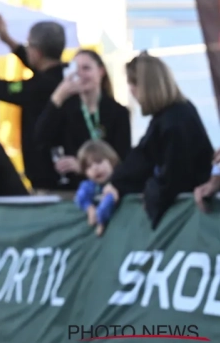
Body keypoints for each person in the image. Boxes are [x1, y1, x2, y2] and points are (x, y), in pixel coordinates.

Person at [104, 53, 213, 229]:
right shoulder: (169, 117)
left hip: (191, 222)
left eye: (133, 84)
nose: (131, 91)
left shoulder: (173, 122)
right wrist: (116, 183)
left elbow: (174, 177)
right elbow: (142, 157)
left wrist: (150, 193)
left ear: (147, 85)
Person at [0, 13, 66, 191]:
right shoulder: (63, 79)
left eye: (28, 45)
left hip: (47, 185)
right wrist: (7, 40)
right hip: (60, 178)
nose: (26, 49)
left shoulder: (37, 88)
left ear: (37, 52)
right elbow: (38, 65)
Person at [35, 49, 131, 187]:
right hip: (73, 187)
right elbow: (40, 137)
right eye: (75, 69)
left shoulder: (118, 112)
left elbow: (123, 156)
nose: (79, 74)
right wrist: (58, 96)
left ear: (101, 71)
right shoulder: (66, 109)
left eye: (86, 68)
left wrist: (83, 166)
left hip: (109, 187)